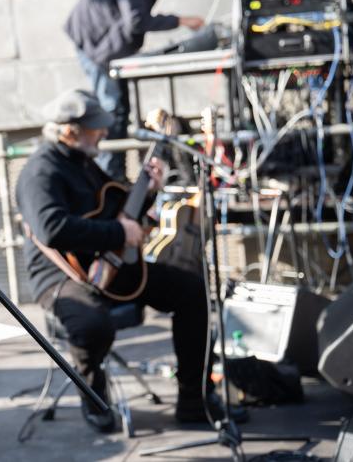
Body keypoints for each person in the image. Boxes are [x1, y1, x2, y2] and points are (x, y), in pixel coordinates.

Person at [15, 89, 246, 433]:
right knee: (92, 324)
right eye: (96, 127)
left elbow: (116, 209)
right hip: (59, 277)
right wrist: (119, 234)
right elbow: (52, 229)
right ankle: (93, 396)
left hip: (112, 265)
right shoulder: (41, 171)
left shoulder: (82, 160)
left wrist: (149, 190)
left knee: (192, 291)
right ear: (70, 130)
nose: (104, 132)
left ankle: (194, 399)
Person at [64, 0, 204, 180]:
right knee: (112, 109)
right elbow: (137, 20)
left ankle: (114, 176)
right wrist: (181, 20)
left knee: (119, 109)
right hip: (95, 46)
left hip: (110, 49)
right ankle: (110, 178)